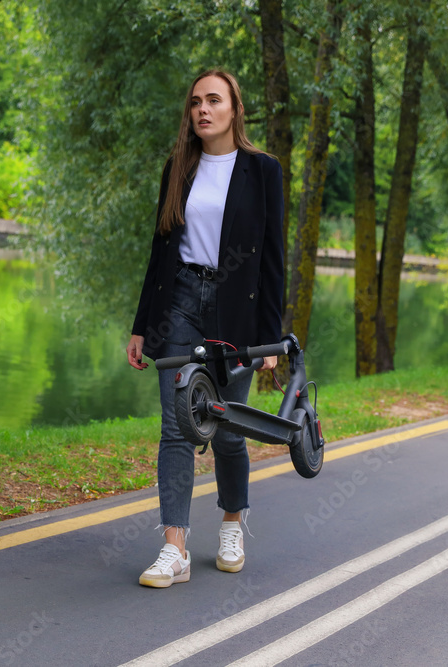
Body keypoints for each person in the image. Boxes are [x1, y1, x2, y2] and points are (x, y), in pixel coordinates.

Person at [126, 68, 285, 588]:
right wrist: (142, 326)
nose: (203, 110)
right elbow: (160, 251)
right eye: (196, 101)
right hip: (180, 303)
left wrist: (269, 337)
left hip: (236, 311)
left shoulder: (262, 170)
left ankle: (232, 525)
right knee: (176, 427)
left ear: (235, 108)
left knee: (227, 429)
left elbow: (273, 260)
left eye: (214, 100)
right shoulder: (179, 167)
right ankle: (174, 548)